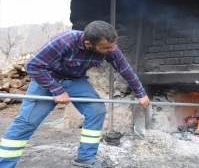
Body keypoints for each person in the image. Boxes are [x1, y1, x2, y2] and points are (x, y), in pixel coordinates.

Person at [0, 20, 150, 168]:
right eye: (107, 47)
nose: (112, 49)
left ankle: (85, 158)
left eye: (113, 45)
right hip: (47, 78)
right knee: (26, 122)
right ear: (88, 44)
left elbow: (125, 69)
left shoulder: (110, 48)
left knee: (96, 110)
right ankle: (4, 164)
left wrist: (140, 93)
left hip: (75, 80)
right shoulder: (63, 41)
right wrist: (57, 90)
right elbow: (32, 66)